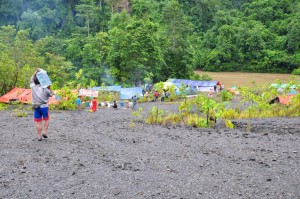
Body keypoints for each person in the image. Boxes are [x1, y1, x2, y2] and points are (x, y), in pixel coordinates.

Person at [30, 68, 53, 141]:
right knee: (47, 119)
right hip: (44, 106)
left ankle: (39, 136)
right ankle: (44, 131)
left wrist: (36, 72)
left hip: (36, 107)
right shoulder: (45, 89)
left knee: (38, 122)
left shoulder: (33, 87)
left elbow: (31, 79)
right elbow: (51, 94)